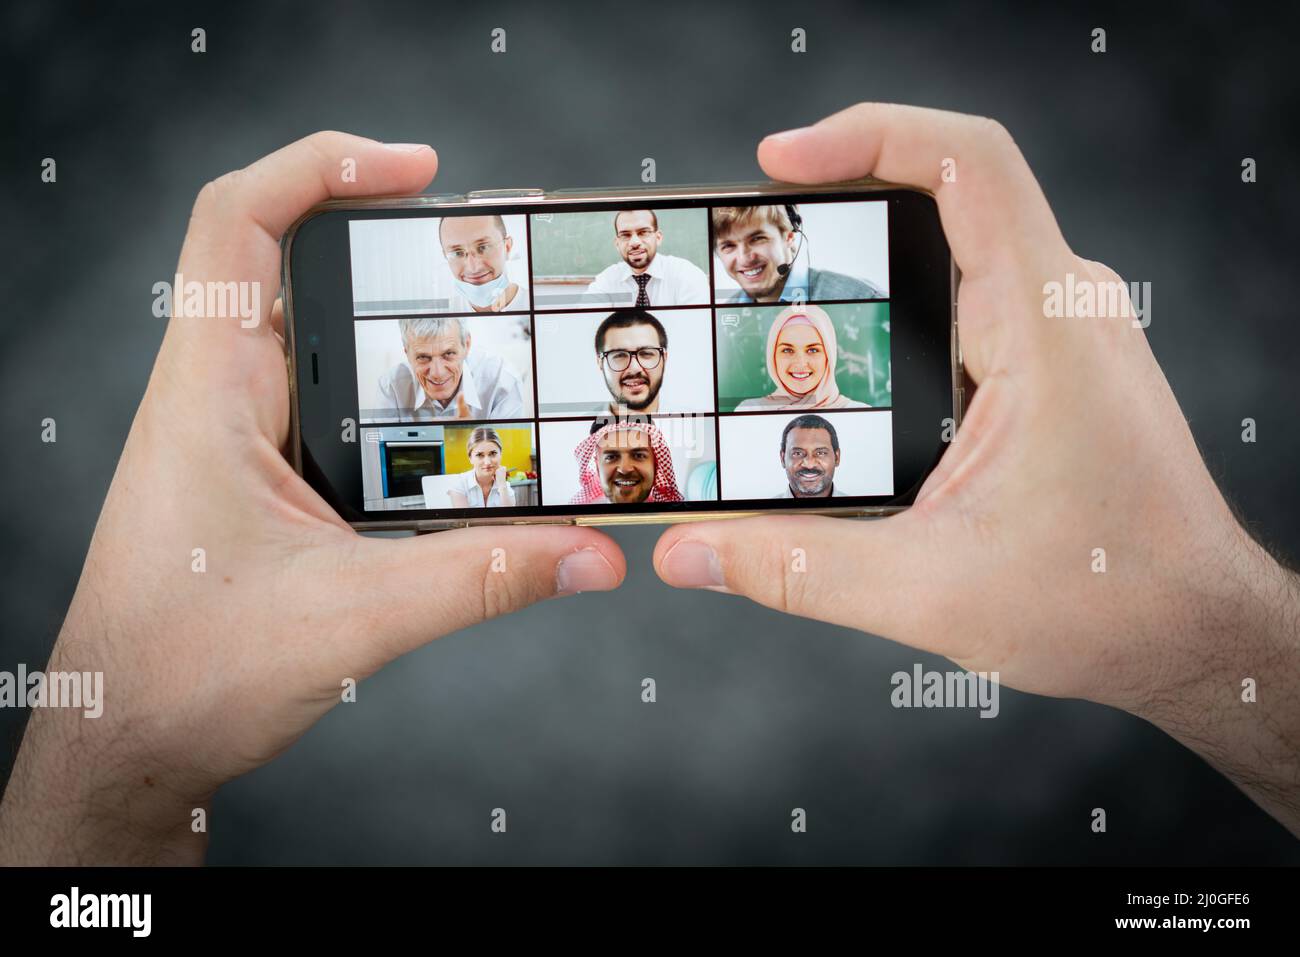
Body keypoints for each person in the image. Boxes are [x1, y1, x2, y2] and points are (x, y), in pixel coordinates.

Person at [1, 106, 1297, 867]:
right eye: (610, 351)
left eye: (637, 351)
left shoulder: (707, 366)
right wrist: (130, 752)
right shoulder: (500, 377)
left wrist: (103, 781)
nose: (621, 367)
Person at [712, 204, 884, 303]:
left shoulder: (861, 297)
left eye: (757, 239)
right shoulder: (726, 311)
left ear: (789, 237)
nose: (744, 258)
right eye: (728, 246)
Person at [375, 316, 524, 420]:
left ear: (466, 345)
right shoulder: (391, 386)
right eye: (423, 357)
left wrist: (475, 438)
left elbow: (514, 460)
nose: (437, 373)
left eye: (449, 354)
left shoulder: (503, 381)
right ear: (407, 353)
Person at [734, 304, 869, 411]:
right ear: (773, 357)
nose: (800, 363)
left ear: (829, 356)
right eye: (787, 350)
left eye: (812, 350)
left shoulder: (860, 412)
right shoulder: (751, 409)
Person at [582, 209, 710, 307]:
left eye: (643, 232)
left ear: (658, 238)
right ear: (617, 244)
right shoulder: (606, 280)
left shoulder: (686, 273)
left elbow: (697, 326)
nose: (634, 242)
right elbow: (586, 321)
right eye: (625, 235)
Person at [592, 309, 692, 416]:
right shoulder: (574, 430)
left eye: (646, 354)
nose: (634, 368)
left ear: (664, 358)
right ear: (600, 362)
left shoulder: (698, 426)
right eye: (620, 355)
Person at [570, 417, 684, 505]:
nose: (625, 469)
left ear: (656, 463)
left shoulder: (681, 521)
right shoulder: (575, 526)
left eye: (639, 455)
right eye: (611, 457)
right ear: (597, 466)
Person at [439, 214, 528, 313]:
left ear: (507, 247)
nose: (473, 268)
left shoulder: (534, 304)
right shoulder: (443, 313)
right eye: (457, 253)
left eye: (483, 247)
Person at [775, 415, 850, 498]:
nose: (809, 465)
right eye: (797, 453)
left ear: (837, 457)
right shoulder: (764, 510)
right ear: (782, 459)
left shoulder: (858, 509)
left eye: (821, 453)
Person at [447, 427, 517, 508]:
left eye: (493, 453)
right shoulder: (460, 484)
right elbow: (464, 520)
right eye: (480, 455)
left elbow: (509, 518)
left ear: (500, 455)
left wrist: (502, 485)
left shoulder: (505, 487)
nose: (487, 462)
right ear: (470, 458)